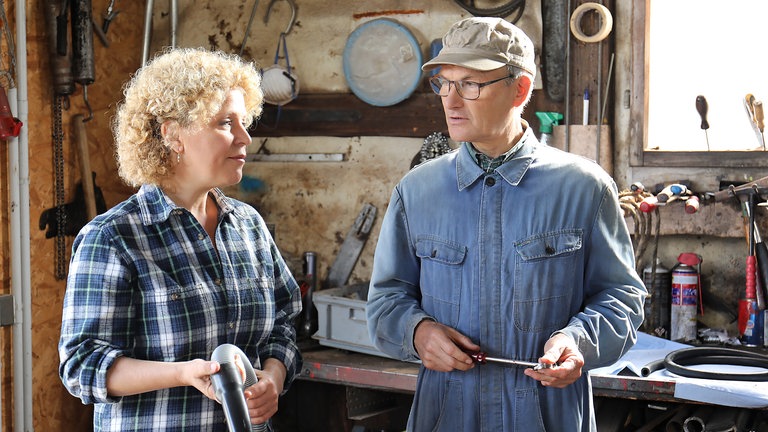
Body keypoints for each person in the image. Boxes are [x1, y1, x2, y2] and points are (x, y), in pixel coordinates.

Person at [366, 17, 646, 431]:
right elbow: (386, 300)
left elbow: (622, 299)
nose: (451, 100)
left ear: (520, 89)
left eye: (471, 84)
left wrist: (576, 341)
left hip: (548, 416)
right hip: (446, 415)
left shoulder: (585, 189)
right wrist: (418, 332)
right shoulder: (416, 192)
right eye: (444, 83)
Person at [58, 48, 302, 432]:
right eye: (225, 123)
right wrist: (183, 373)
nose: (245, 137)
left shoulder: (249, 227)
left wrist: (274, 376)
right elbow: (82, 365)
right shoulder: (113, 238)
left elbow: (283, 323)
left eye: (244, 121)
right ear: (173, 134)